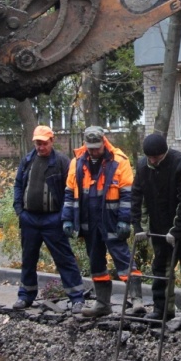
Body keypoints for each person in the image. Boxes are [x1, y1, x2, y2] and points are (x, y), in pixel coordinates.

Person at [62, 126, 142, 317]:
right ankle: (102, 303)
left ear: (104, 142)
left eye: (96, 147)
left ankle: (137, 300)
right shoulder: (77, 162)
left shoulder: (119, 161)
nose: (93, 151)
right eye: (90, 147)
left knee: (123, 259)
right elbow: (69, 192)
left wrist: (125, 220)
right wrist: (66, 219)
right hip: (89, 221)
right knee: (95, 261)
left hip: (111, 220)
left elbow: (127, 194)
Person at [131, 133, 181, 327]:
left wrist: (177, 229)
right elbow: (137, 196)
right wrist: (138, 225)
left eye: (157, 157)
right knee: (161, 268)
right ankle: (162, 309)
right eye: (150, 158)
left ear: (165, 153)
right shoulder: (142, 166)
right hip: (159, 225)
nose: (153, 161)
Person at [12, 125, 86, 313]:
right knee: (28, 259)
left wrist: (63, 216)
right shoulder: (27, 160)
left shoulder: (61, 162)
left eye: (44, 143)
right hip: (29, 219)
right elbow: (19, 184)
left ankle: (77, 298)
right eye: (37, 143)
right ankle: (25, 296)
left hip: (52, 220)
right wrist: (19, 210)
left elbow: (70, 190)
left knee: (64, 259)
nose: (40, 147)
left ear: (52, 141)